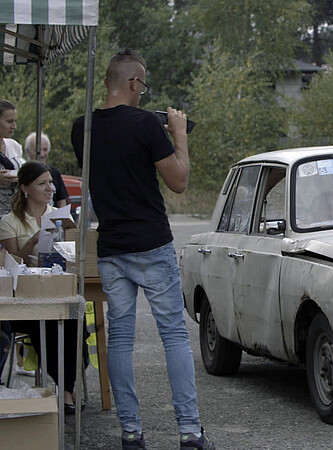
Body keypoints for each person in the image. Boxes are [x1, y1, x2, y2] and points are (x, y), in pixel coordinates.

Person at [70, 49, 215, 449]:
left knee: (118, 339)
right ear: (134, 83)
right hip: (151, 242)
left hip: (112, 245)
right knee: (173, 336)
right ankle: (189, 432)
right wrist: (179, 135)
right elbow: (180, 181)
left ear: (107, 82)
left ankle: (131, 433)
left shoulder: (82, 128)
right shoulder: (147, 127)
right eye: (143, 85)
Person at [0, 161, 84, 412]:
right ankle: (65, 388)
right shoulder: (11, 221)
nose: (50, 188)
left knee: (74, 326)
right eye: (42, 183)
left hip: (53, 292)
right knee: (47, 328)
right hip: (24, 300)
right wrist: (35, 240)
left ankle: (67, 390)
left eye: (51, 183)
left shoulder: (58, 216)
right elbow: (11, 262)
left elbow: (73, 254)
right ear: (25, 188)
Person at [24, 132, 69, 208]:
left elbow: (61, 201)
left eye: (45, 150)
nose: (42, 154)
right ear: (27, 151)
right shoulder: (23, 173)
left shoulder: (54, 172)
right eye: (37, 150)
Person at [0, 100, 26, 216]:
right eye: (9, 121)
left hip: (13, 212)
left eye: (15, 121)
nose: (14, 126)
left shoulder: (14, 146)